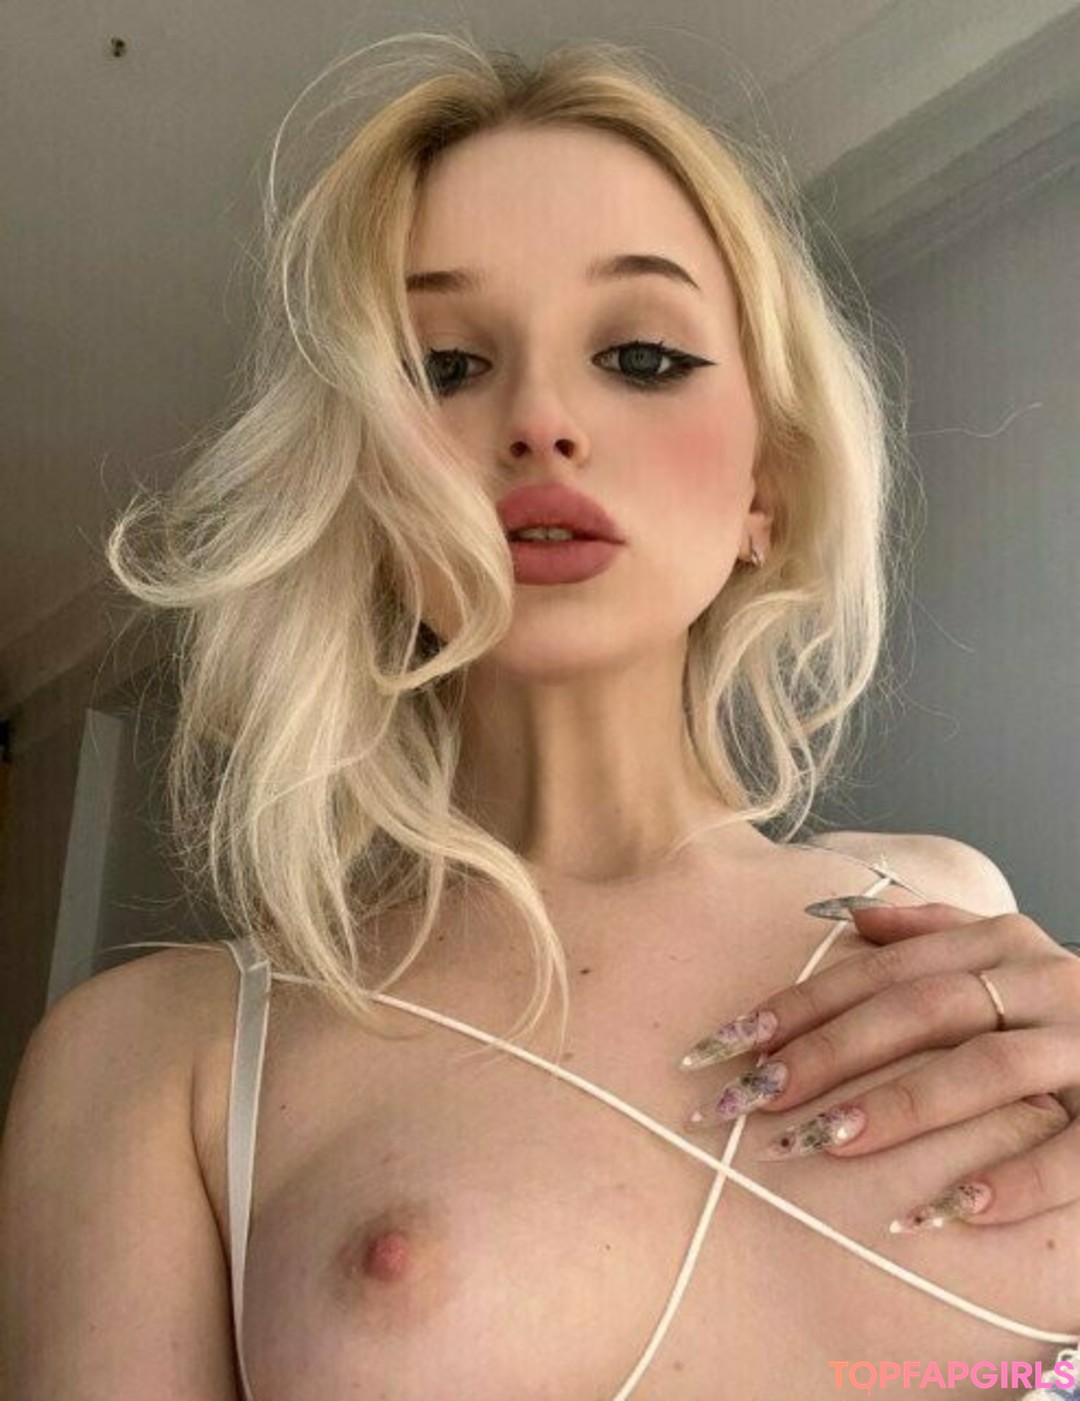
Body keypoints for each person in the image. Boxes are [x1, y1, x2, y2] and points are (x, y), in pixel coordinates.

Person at [2, 32, 1079, 1401]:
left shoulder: (945, 911)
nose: (542, 421)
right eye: (445, 367)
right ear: (367, 493)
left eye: (641, 353)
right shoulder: (160, 1058)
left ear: (767, 487)